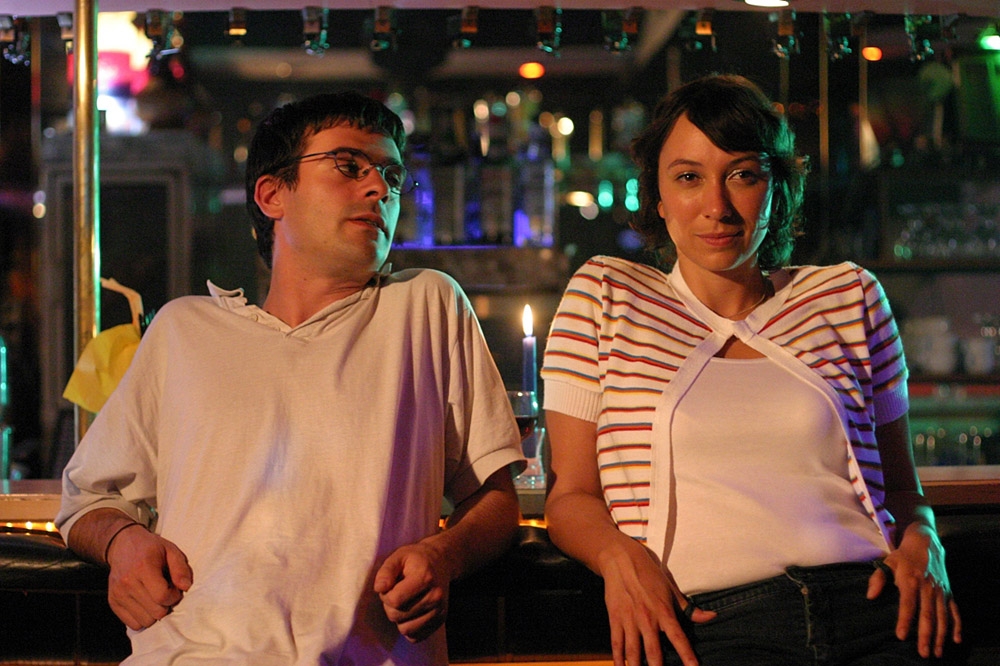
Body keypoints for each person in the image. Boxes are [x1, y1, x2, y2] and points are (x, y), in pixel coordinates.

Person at [56, 91, 525, 665]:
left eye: (392, 176)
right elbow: (87, 500)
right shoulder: (182, 330)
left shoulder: (425, 305)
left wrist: (444, 555)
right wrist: (122, 541)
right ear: (272, 194)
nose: (379, 189)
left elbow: (495, 499)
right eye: (349, 166)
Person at [541, 74, 962, 666]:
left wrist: (925, 537)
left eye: (743, 174)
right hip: (711, 626)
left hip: (876, 608)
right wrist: (618, 557)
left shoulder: (849, 295)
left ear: (776, 188)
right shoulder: (607, 295)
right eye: (689, 178)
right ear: (657, 196)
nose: (717, 207)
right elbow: (570, 496)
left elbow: (902, 490)